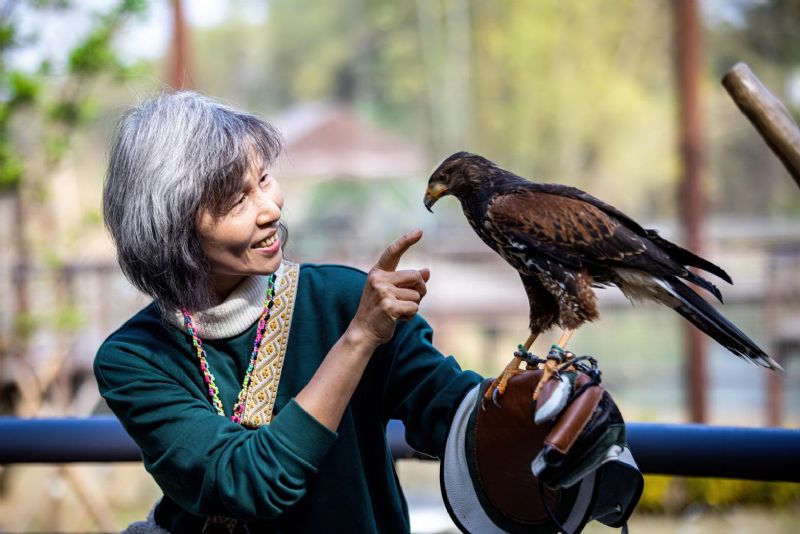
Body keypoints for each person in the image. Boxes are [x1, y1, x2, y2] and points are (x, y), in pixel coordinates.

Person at [95, 91, 482, 533]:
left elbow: (456, 411)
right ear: (173, 227)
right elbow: (248, 483)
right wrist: (358, 339)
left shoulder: (344, 297)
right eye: (236, 200)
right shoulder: (135, 358)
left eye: (263, 180)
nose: (270, 208)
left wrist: (541, 399)